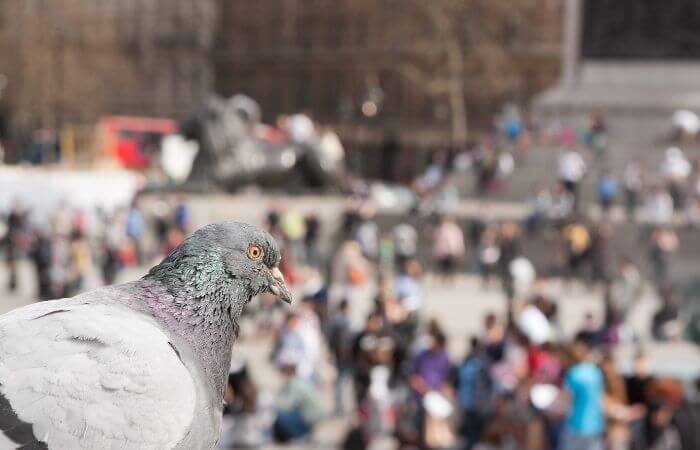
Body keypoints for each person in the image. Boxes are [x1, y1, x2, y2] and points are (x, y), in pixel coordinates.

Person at [559, 339, 605, 450]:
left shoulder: (573, 374)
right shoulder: (595, 372)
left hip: (576, 424)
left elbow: (566, 400)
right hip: (595, 423)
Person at [272, 351, 324, 443]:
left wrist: (273, 402)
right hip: (305, 417)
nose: (281, 371)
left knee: (281, 417)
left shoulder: (296, 383)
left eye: (283, 368)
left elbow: (287, 405)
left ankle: (301, 435)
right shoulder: (296, 381)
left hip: (308, 420)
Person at [457, 337, 492, 449]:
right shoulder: (467, 362)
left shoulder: (483, 363)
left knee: (477, 430)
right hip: (468, 402)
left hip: (478, 403)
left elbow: (486, 383)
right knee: (468, 430)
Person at [327, 299, 354, 416]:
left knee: (341, 382)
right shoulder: (341, 321)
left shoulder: (337, 320)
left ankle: (340, 408)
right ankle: (339, 408)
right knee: (340, 382)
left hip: (341, 356)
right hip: (343, 356)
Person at [432, 216, 465, 281]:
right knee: (443, 265)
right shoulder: (441, 228)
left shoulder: (455, 229)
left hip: (451, 250)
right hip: (443, 250)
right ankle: (443, 277)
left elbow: (459, 240)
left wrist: (460, 249)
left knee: (450, 265)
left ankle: (448, 277)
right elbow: (437, 239)